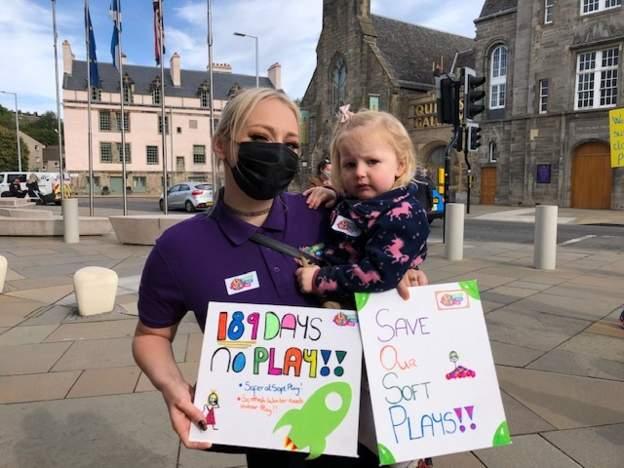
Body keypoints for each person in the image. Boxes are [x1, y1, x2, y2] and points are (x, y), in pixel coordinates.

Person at [132, 88, 428, 468]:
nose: (277, 152)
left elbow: (388, 257)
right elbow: (150, 336)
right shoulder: (178, 248)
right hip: (273, 441)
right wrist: (172, 389)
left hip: (369, 433)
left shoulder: (326, 213)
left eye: (290, 144)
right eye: (259, 138)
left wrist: (408, 276)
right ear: (222, 145)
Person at [297, 106, 429, 301]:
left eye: (372, 161)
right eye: (350, 164)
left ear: (400, 165)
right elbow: (356, 210)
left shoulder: (403, 214)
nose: (359, 172)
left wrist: (319, 280)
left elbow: (379, 273)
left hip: (361, 306)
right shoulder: (364, 201)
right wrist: (334, 195)